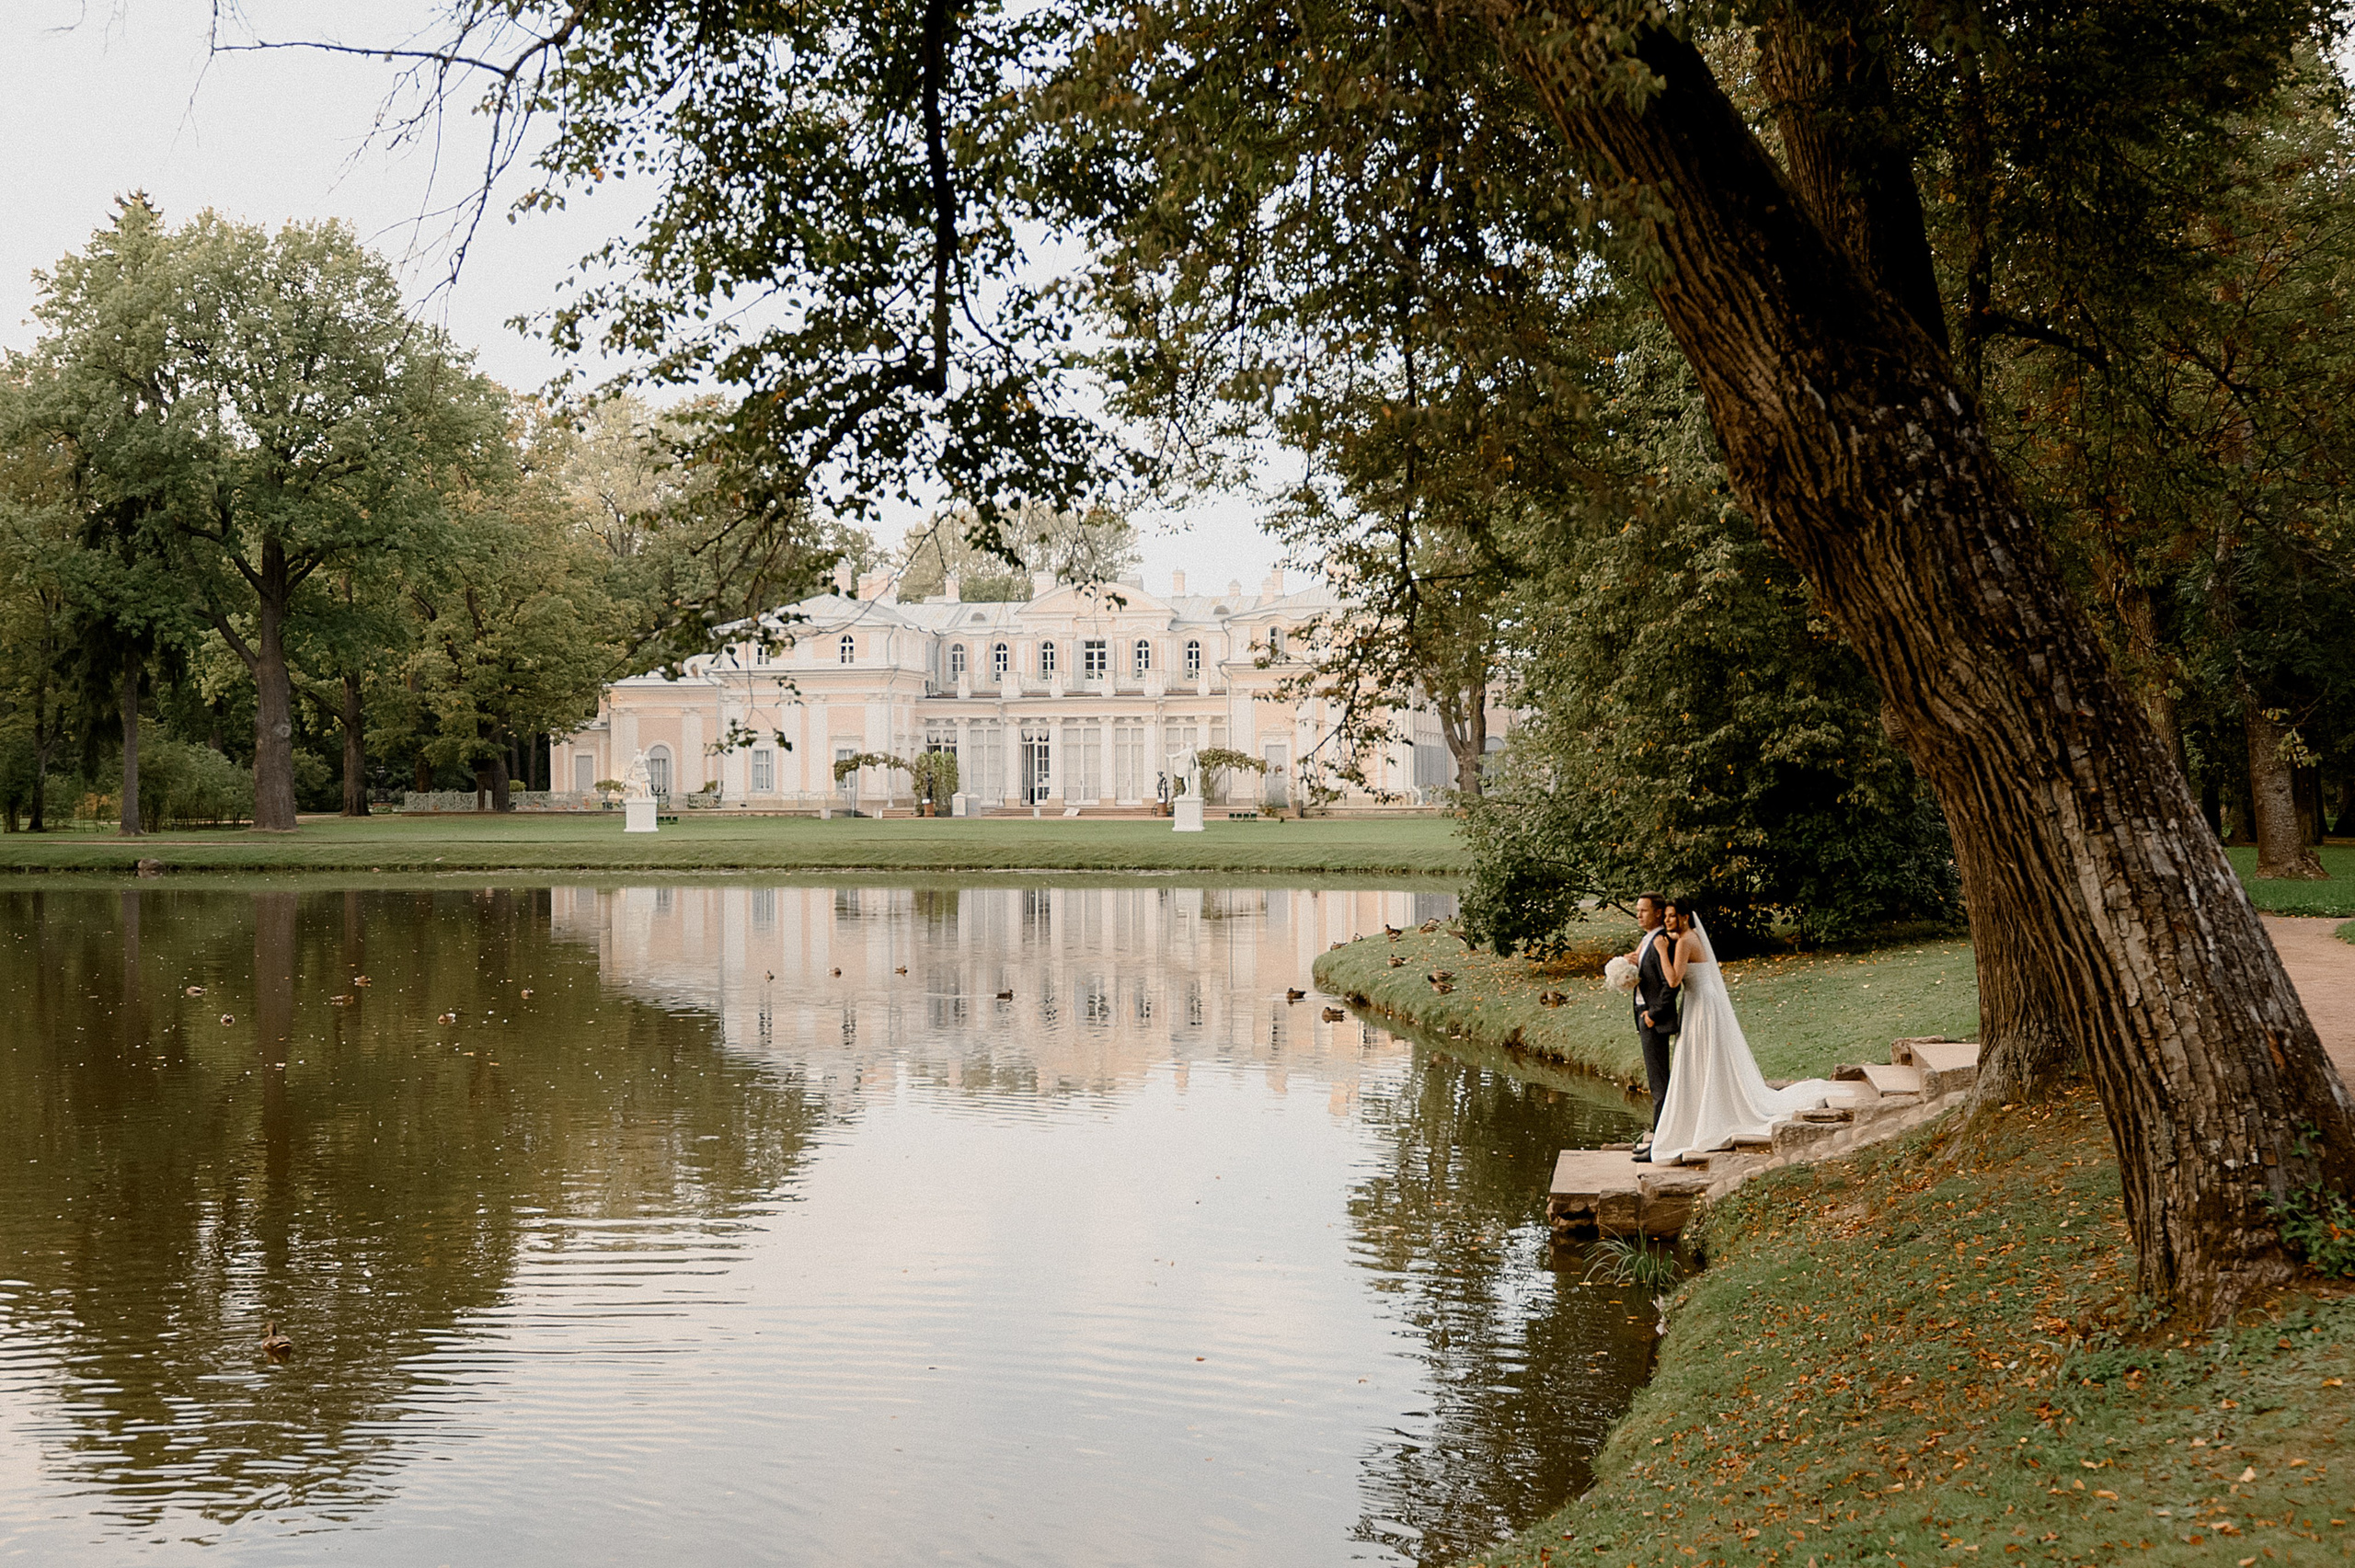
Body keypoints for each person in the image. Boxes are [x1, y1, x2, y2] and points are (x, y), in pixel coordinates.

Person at [1646, 897, 1840, 1164]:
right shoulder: (1690, 939)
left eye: (1670, 916)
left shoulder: (1684, 942)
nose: (1666, 921)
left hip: (1701, 1006)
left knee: (1701, 1057)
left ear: (1685, 917)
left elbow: (1674, 979)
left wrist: (1659, 950)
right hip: (1701, 1003)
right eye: (1665, 916)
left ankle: (1707, 1115)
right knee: (1704, 1058)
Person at [1627, 892, 1676, 1162]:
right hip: (1642, 1014)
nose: (1639, 915)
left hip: (1652, 1019)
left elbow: (1670, 984)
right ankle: (1659, 1138)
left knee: (1660, 1085)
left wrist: (1654, 1015)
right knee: (1656, 1082)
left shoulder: (1661, 941)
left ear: (1658, 913)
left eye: (1644, 911)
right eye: (1638, 911)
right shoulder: (1648, 940)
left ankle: (1660, 1144)